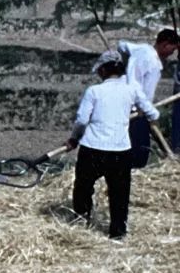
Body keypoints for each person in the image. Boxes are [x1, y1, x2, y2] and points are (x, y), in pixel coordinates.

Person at [66, 49, 159, 240]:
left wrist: (74, 139)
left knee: (83, 187)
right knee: (119, 194)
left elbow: (82, 120)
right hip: (120, 150)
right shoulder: (131, 90)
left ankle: (80, 225)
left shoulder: (94, 91)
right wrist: (144, 115)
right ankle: (117, 233)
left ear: (102, 71)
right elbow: (154, 113)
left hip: (92, 147)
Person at [118, 28, 179, 168]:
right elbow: (136, 88)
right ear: (165, 45)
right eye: (172, 49)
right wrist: (152, 113)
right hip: (135, 111)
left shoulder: (143, 50)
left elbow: (123, 45)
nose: (172, 54)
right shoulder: (150, 60)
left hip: (138, 109)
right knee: (139, 154)